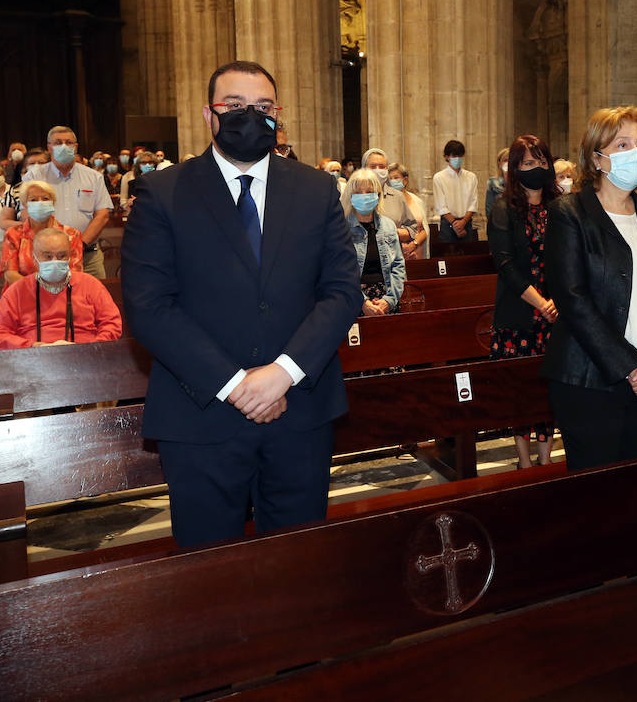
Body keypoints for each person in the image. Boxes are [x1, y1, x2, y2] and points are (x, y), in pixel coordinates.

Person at [120, 60, 362, 549]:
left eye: (263, 107)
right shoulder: (163, 192)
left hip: (300, 410)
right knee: (210, 573)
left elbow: (341, 291)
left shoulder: (315, 189)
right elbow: (149, 305)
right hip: (201, 414)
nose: (249, 115)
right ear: (209, 115)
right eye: (234, 105)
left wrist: (284, 373)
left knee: (298, 563)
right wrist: (235, 385)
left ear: (278, 116)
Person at [543, 106, 637, 470]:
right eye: (622, 144)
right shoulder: (569, 213)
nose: (636, 153)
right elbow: (572, 299)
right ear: (597, 157)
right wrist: (630, 366)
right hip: (591, 380)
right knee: (598, 495)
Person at [489, 134, 561, 468]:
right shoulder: (504, 208)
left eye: (541, 161)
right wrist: (540, 303)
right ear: (515, 169)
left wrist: (557, 301)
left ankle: (545, 461)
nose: (536, 168)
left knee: (549, 391)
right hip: (519, 313)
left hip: (556, 315)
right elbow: (505, 265)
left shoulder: (560, 208)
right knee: (522, 394)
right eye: (528, 162)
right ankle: (525, 462)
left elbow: (569, 259)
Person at [0, 228, 122, 349]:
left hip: (86, 357)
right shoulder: (17, 291)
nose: (55, 260)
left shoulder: (90, 284)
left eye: (62, 255)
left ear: (70, 256)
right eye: (47, 256)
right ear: (34, 259)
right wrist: (32, 346)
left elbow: (112, 324)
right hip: (32, 361)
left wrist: (90, 348)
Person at [8, 126, 112, 278]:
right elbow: (26, 214)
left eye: (69, 142)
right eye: (58, 142)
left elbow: (102, 215)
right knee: (51, 301)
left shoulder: (93, 177)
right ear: (49, 147)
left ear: (76, 147)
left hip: (88, 256)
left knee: (91, 299)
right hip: (48, 259)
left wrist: (79, 245)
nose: (64, 146)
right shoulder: (34, 176)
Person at [343, 168, 406, 316]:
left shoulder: (388, 225)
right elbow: (341, 271)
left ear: (378, 195)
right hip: (353, 298)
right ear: (351, 196)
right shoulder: (342, 228)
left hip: (387, 298)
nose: (364, 196)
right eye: (359, 192)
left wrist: (389, 300)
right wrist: (363, 302)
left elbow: (398, 266)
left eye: (369, 192)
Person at [0, 180, 84, 284]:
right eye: (33, 200)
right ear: (25, 204)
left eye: (45, 199)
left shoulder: (71, 234)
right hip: (24, 292)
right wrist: (39, 291)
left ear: (53, 202)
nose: (40, 203)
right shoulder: (13, 234)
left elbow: (75, 272)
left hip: (61, 293)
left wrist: (52, 291)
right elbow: (10, 274)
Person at [433, 139, 480, 243]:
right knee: (448, 257)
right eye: (454, 156)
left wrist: (463, 222)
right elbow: (441, 205)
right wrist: (455, 224)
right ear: (446, 157)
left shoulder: (471, 177)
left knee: (469, 256)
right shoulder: (439, 177)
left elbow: (473, 203)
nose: (457, 159)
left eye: (460, 156)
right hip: (448, 223)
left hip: (466, 222)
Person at [385, 162, 429, 260]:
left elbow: (424, 229)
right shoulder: (386, 201)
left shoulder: (417, 200)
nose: (393, 181)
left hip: (418, 250)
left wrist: (414, 244)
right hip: (397, 250)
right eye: (390, 179)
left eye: (396, 178)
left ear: (405, 180)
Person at [484, 147, 510, 218]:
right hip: (499, 222)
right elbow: (489, 209)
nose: (508, 163)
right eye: (505, 160)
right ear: (500, 163)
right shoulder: (492, 182)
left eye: (510, 160)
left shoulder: (520, 182)